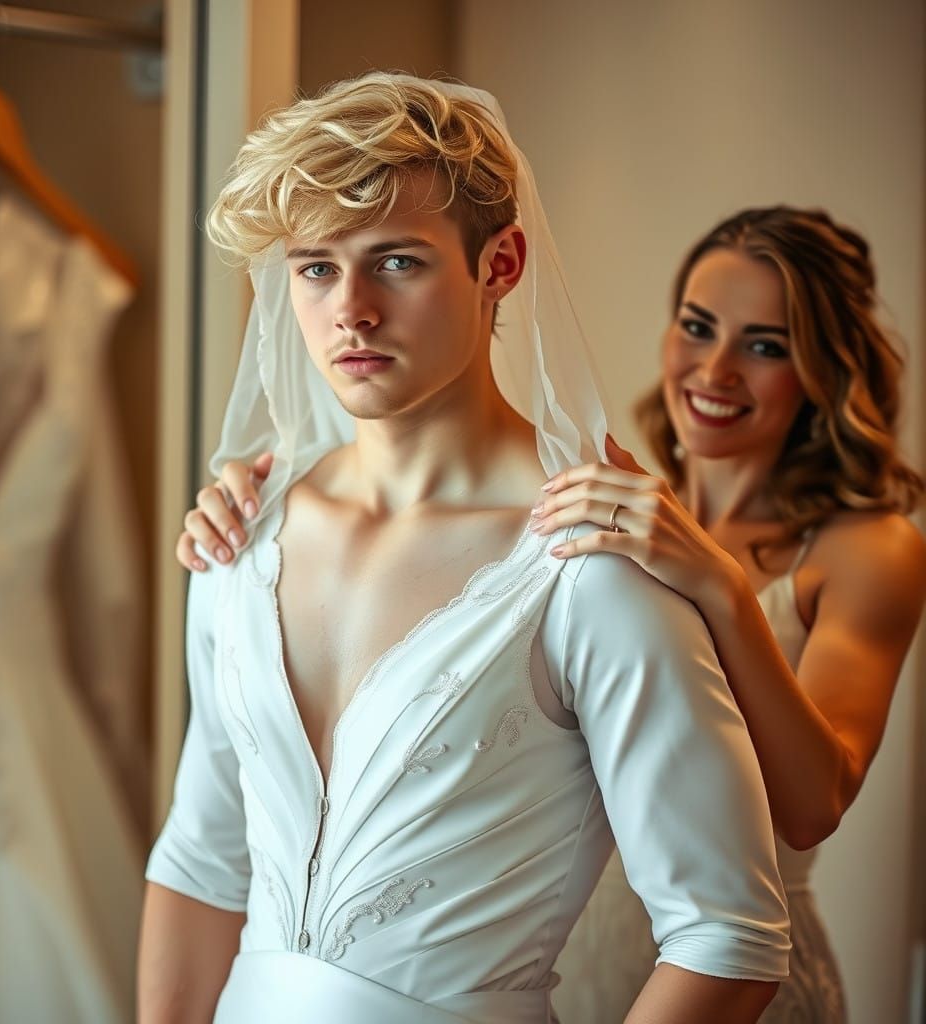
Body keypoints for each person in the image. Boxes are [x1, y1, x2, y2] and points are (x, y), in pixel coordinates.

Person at [140, 73, 791, 1023]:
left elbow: (729, 938)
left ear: (501, 263)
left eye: (396, 262)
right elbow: (200, 862)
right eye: (316, 267)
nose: (350, 310)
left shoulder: (588, 568)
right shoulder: (243, 536)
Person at [181, 203, 926, 1023]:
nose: (714, 372)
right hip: (562, 944)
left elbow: (814, 804)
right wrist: (260, 501)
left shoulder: (865, 548)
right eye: (698, 327)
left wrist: (720, 587)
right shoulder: (613, 498)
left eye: (765, 346)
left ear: (822, 367)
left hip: (716, 966)